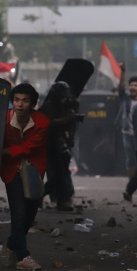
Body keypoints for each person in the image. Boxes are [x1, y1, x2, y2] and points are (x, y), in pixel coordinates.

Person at [1, 83, 48, 270]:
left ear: (32, 104)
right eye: (17, 100)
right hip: (11, 170)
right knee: (18, 212)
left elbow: (30, 148)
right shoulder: (3, 119)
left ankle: (13, 243)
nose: (20, 104)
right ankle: (24, 256)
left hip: (33, 170)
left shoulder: (42, 122)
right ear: (12, 101)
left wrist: (6, 151)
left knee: (30, 214)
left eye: (25, 101)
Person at [41, 81, 79, 211]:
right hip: (49, 144)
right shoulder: (48, 106)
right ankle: (52, 197)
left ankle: (63, 199)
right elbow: (49, 124)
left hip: (61, 143)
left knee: (62, 173)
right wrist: (66, 119)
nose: (64, 99)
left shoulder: (66, 106)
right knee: (57, 174)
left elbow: (71, 125)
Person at [117, 64, 137, 195]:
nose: (133, 87)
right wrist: (122, 72)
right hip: (127, 134)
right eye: (131, 85)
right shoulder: (125, 99)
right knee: (130, 160)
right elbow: (120, 88)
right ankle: (132, 183)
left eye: (136, 85)